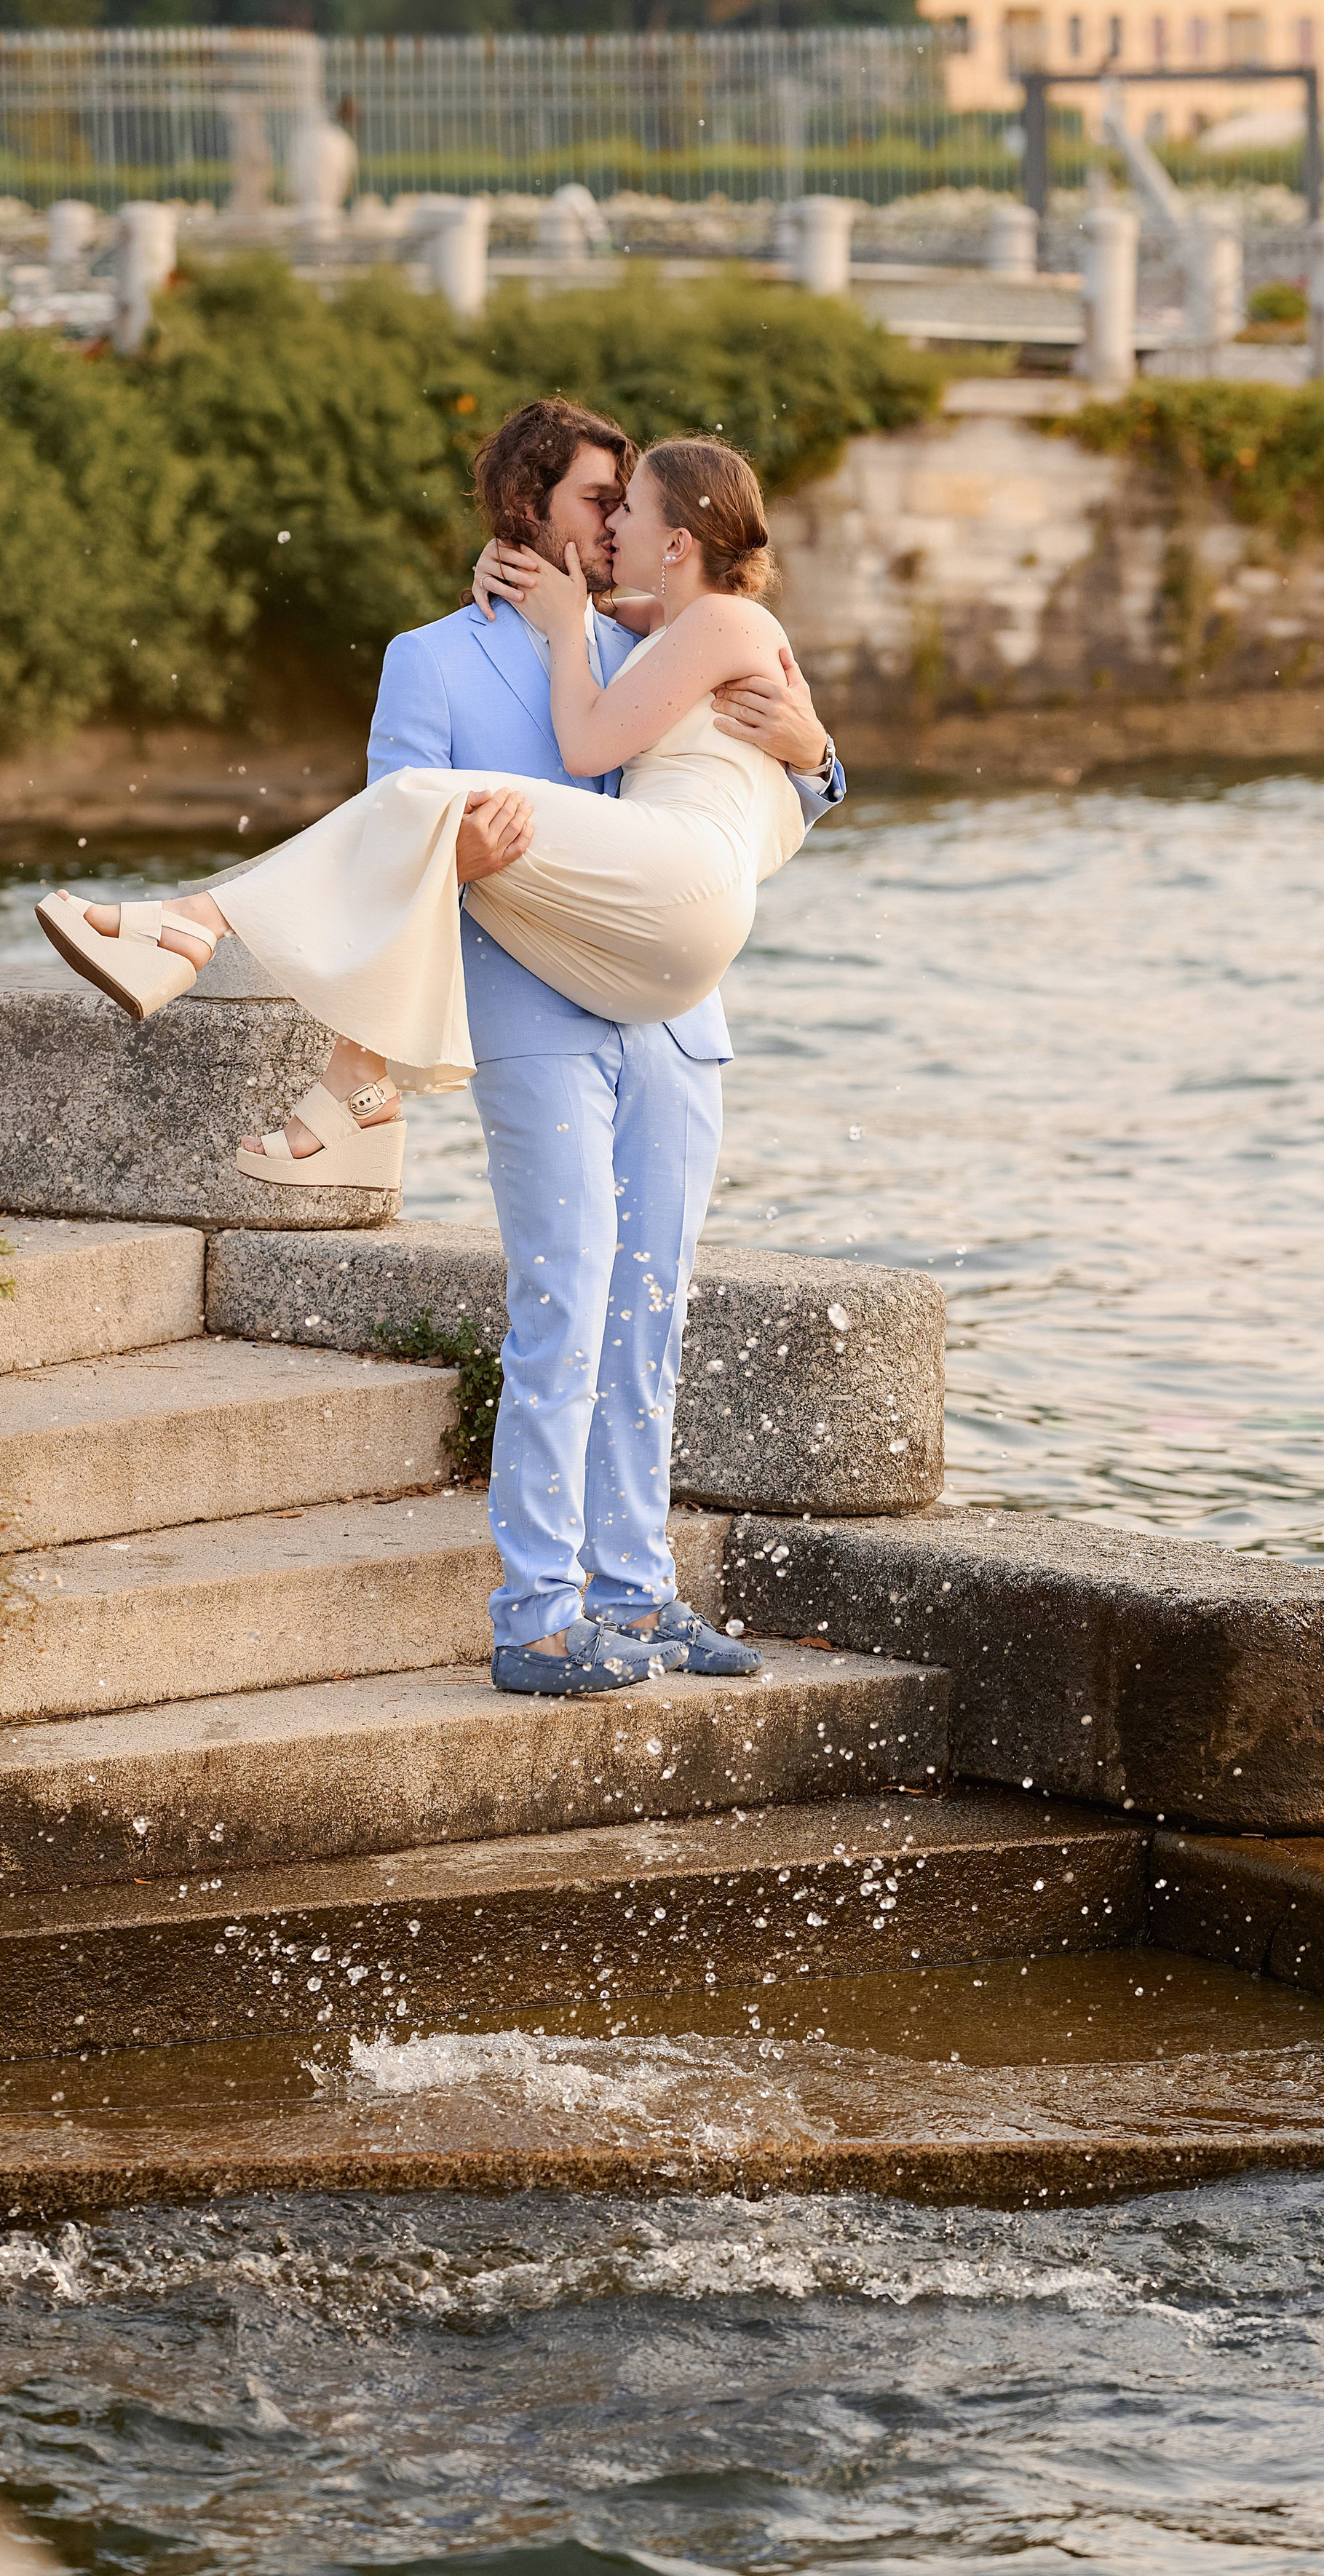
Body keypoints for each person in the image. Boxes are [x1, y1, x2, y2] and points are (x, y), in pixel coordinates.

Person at [38, 405, 844, 1702]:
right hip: (529, 1011)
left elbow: (764, 782)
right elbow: (383, 841)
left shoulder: (654, 630)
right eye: (597, 499)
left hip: (668, 1011)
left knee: (650, 1315)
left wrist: (821, 759)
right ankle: (537, 1613)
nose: (615, 519)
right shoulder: (434, 659)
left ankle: (637, 1598)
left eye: (629, 501)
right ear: (528, 511)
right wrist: (459, 864)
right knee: (566, 1304)